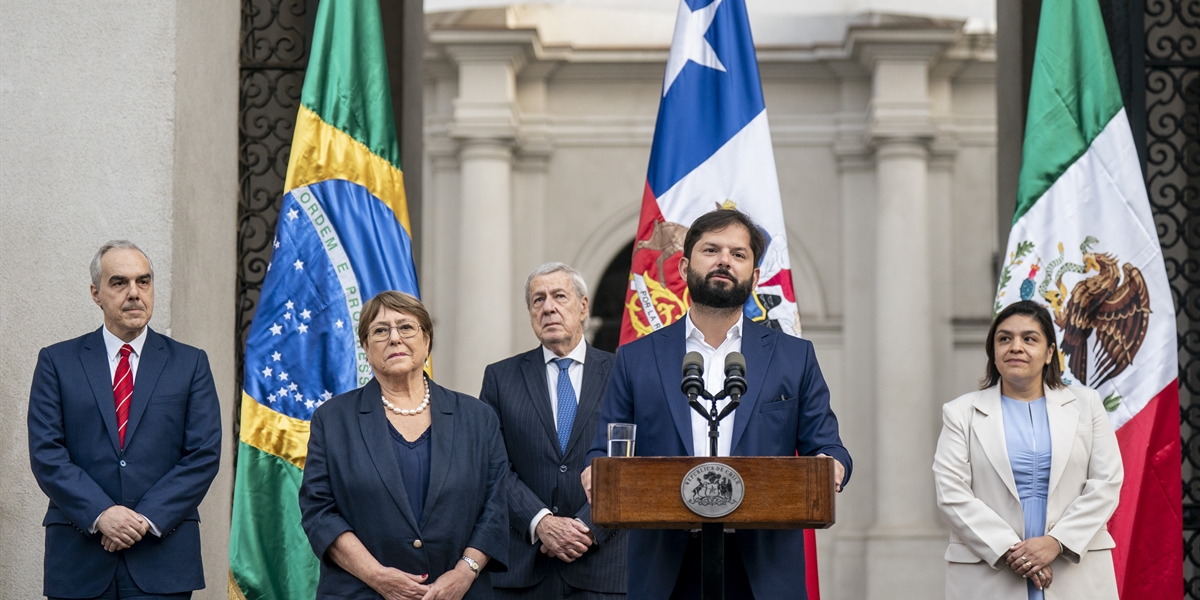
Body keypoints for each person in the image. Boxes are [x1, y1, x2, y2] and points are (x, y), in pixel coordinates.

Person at [580, 209, 852, 600]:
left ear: (755, 277)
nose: (725, 260)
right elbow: (604, 449)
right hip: (666, 566)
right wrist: (595, 471)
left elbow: (828, 446)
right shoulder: (637, 357)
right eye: (712, 250)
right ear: (686, 265)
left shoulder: (794, 357)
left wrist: (833, 466)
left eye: (738, 254)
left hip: (763, 567)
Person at [28, 240, 223, 599]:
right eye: (119, 282)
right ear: (96, 293)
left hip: (162, 558)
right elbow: (46, 453)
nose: (134, 293)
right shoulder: (57, 362)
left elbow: (203, 454)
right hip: (79, 558)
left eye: (143, 281)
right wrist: (101, 514)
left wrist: (144, 518)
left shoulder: (190, 363)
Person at [299, 291, 509, 599]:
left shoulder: (478, 418)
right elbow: (319, 511)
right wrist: (376, 576)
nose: (394, 338)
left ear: (426, 341)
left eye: (406, 327)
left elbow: (496, 507)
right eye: (380, 331)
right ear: (366, 349)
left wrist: (464, 575)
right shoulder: (332, 420)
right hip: (360, 592)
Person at [933, 300, 1123, 600]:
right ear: (993, 353)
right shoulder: (960, 413)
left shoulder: (1087, 405)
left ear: (1049, 353)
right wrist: (1017, 553)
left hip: (1073, 570)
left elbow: (1106, 484)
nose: (1015, 347)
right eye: (1004, 338)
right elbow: (951, 493)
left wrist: (1056, 542)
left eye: (1029, 339)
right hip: (990, 572)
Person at [480, 263, 628, 599]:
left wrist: (588, 527)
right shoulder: (501, 379)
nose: (548, 307)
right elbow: (490, 464)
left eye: (559, 296)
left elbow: (635, 458)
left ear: (583, 306)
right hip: (524, 571)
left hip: (603, 569)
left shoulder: (622, 373)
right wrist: (541, 522)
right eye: (538, 300)